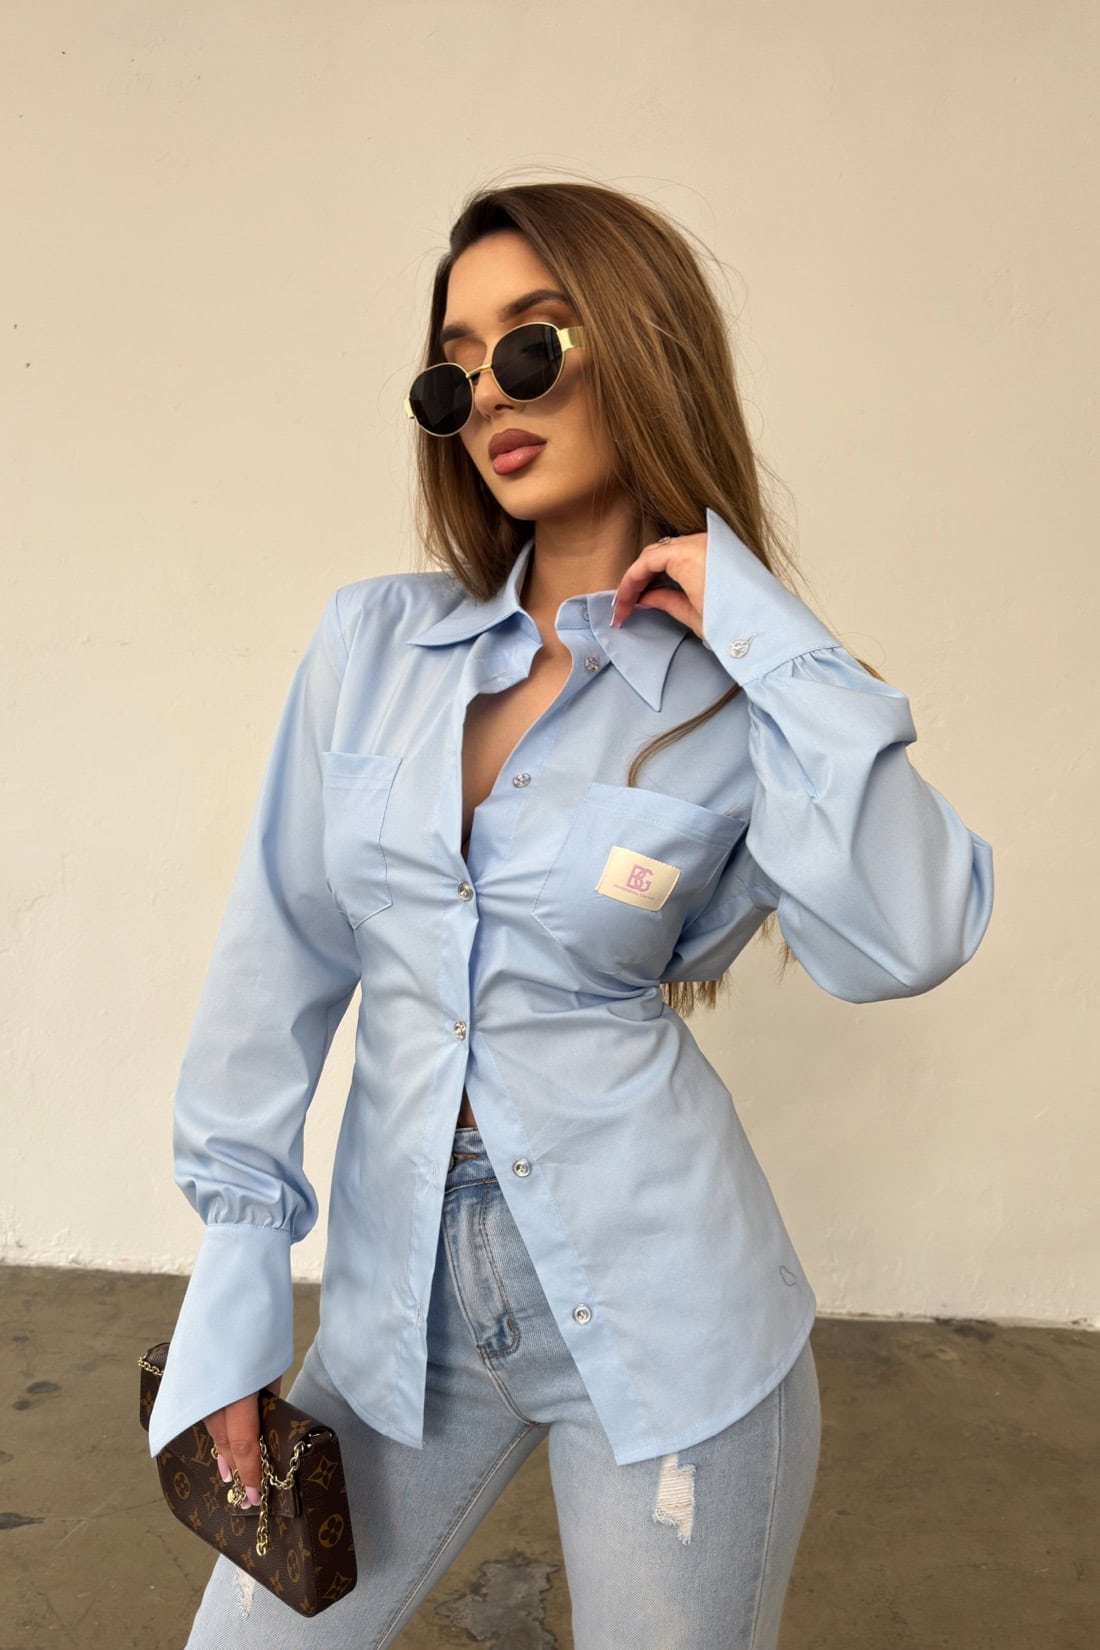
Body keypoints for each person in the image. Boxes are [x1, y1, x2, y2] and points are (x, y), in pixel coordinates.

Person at [148, 179, 995, 1648]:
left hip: (672, 1325)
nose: (488, 394)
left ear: (643, 347)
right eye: (453, 372)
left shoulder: (744, 700)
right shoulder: (372, 647)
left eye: (530, 344)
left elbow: (912, 932)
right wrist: (233, 1286)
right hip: (401, 1314)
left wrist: (771, 636)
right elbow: (273, 965)